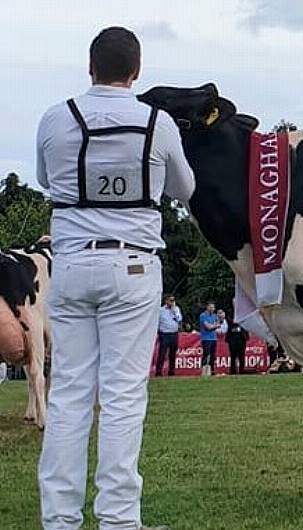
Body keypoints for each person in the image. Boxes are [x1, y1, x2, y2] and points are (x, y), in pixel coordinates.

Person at [36, 26, 194, 530]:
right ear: (136, 71)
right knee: (123, 396)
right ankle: (119, 520)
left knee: (68, 395)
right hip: (133, 263)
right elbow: (183, 186)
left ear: (90, 67)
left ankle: (59, 520)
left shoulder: (56, 119)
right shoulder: (158, 123)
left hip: (72, 262)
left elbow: (45, 179)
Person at [156, 294, 182, 377]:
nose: (172, 302)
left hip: (174, 334)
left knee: (173, 354)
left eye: (173, 300)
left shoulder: (176, 309)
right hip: (164, 334)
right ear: (166, 301)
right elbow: (157, 322)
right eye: (171, 300)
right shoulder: (160, 310)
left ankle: (171, 371)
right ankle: (159, 372)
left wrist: (174, 311)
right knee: (162, 354)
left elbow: (179, 319)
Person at [199, 301, 220, 376]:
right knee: (206, 355)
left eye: (213, 307)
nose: (212, 309)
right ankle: (204, 371)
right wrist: (214, 326)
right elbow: (208, 327)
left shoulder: (215, 316)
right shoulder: (203, 315)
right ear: (207, 307)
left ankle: (212, 371)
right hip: (206, 338)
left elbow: (218, 324)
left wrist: (213, 326)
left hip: (213, 338)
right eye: (211, 307)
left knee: (213, 355)